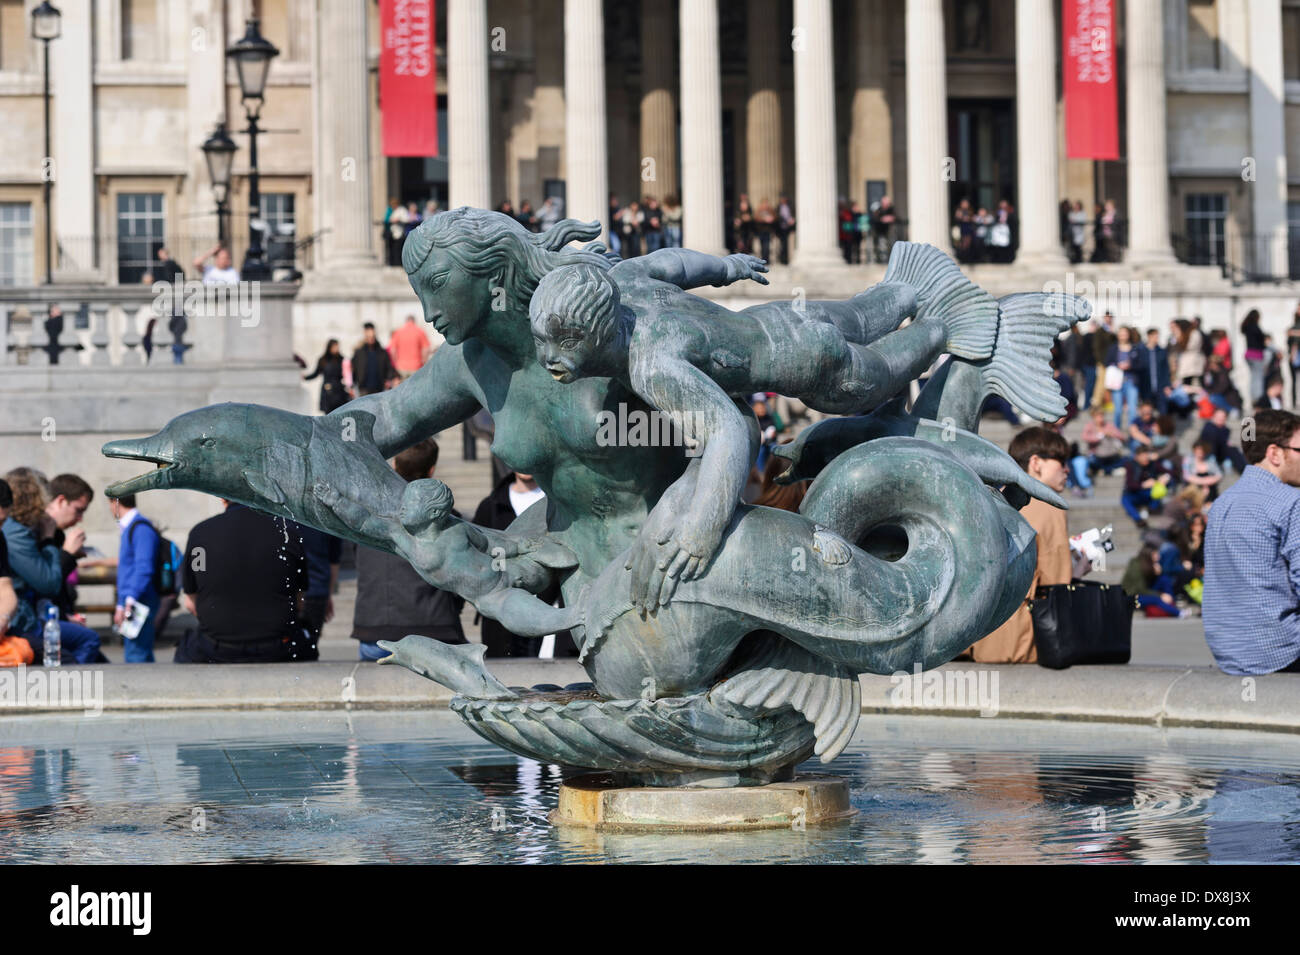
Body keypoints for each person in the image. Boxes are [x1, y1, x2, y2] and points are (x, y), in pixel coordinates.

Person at [1203, 409, 1300, 673]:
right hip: (1281, 649)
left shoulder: (1222, 503)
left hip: (1228, 649)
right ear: (1275, 453)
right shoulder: (1291, 502)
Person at [352, 439, 466, 660]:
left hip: (373, 628)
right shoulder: (447, 521)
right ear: (431, 471)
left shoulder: (367, 517)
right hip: (433, 627)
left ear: (395, 465)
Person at [968, 428, 1073, 663]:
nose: (1067, 469)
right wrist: (1079, 567)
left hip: (983, 633)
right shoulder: (1048, 507)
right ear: (1036, 463)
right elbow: (1057, 582)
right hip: (1022, 638)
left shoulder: (995, 499)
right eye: (1061, 461)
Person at [177, 499, 310, 663]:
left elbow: (191, 601)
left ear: (222, 497)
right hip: (278, 646)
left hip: (216, 646)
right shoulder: (288, 532)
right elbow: (300, 601)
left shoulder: (200, 534)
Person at [1, 468, 102, 664]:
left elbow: (8, 587)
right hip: (23, 622)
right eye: (78, 510)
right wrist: (62, 551)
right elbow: (47, 583)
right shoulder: (15, 535)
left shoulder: (23, 531)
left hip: (26, 617)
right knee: (79, 649)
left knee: (88, 651)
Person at [472, 470, 572, 657]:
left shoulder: (560, 504)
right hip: (501, 617)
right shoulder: (491, 505)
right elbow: (478, 559)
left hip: (552, 610)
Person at [107, 493, 162, 663]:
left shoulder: (140, 528)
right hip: (134, 600)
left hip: (139, 602)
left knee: (136, 655)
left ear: (115, 503)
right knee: (139, 653)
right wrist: (120, 604)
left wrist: (128, 602)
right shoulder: (131, 528)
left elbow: (143, 569)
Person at [1121, 444, 1175, 528]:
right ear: (1137, 457)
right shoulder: (1131, 465)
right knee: (1125, 499)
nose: (1145, 458)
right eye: (1143, 456)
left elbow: (1170, 472)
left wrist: (1164, 478)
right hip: (1135, 493)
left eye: (1147, 456)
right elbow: (1130, 484)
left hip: (1150, 493)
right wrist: (1143, 485)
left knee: (1158, 492)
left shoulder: (1153, 464)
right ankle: (1138, 519)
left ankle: (1151, 509)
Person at [1106, 325, 1142, 428]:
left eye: (1125, 334)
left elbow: (1141, 364)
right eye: (1121, 334)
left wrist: (1130, 365)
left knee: (1132, 409)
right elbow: (1107, 362)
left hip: (1131, 381)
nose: (1123, 336)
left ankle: (1133, 432)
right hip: (1117, 382)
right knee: (1118, 410)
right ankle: (1117, 433)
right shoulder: (1113, 348)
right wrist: (1118, 365)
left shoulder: (1135, 348)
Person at [303, 339, 351, 413]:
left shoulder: (342, 360)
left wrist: (349, 387)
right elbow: (316, 373)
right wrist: (305, 377)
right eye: (334, 347)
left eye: (337, 347)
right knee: (328, 413)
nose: (336, 349)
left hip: (339, 390)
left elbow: (347, 375)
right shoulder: (323, 360)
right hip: (327, 391)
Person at [351, 322, 396, 397]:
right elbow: (353, 369)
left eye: (372, 337)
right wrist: (352, 385)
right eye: (368, 337)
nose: (371, 339)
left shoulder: (382, 352)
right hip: (363, 389)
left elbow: (389, 368)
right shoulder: (359, 353)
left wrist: (390, 379)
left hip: (379, 388)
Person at [1198, 406, 1247, 473]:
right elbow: (1210, 439)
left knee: (1232, 448)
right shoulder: (1208, 426)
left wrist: (1227, 443)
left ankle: (1244, 468)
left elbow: (1224, 442)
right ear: (1213, 416)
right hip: (1209, 452)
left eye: (1223, 416)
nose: (1220, 418)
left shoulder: (1226, 430)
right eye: (1218, 416)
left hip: (1220, 453)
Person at [388, 313, 432, 380]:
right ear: (414, 321)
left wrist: (396, 362)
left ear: (406, 321)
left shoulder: (398, 332)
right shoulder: (420, 331)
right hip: (416, 367)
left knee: (402, 389)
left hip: (401, 368)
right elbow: (426, 349)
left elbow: (392, 350)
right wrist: (424, 362)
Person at [1241, 309, 1267, 406]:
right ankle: (1257, 398)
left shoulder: (1246, 327)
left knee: (1253, 377)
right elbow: (1261, 339)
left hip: (1249, 354)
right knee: (1258, 377)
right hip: (1256, 354)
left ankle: (1253, 397)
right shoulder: (1255, 327)